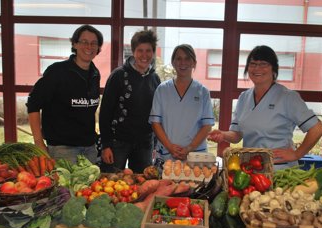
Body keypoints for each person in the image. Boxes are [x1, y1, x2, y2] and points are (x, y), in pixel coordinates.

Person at [208, 45, 322, 169]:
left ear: (273, 69)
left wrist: (296, 154)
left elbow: (317, 129)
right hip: (251, 167)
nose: (257, 68)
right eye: (253, 64)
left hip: (279, 169)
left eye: (263, 64)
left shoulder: (288, 97)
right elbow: (237, 135)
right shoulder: (244, 97)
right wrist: (223, 135)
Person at [26, 24, 103, 164]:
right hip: (63, 149)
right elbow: (33, 103)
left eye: (94, 43)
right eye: (84, 42)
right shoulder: (57, 72)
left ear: (98, 48)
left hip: (89, 148)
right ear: (74, 44)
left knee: (91, 186)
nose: (89, 46)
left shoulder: (95, 74)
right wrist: (38, 142)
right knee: (65, 186)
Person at [99, 29, 160, 173]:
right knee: (111, 183)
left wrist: (155, 144)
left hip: (145, 143)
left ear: (153, 52)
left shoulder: (155, 79)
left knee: (141, 184)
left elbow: (157, 114)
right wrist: (106, 145)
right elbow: (105, 112)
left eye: (148, 51)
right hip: (117, 142)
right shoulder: (118, 75)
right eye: (140, 50)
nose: (144, 55)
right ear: (133, 51)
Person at [149, 44, 215, 162]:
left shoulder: (202, 92)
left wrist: (189, 148)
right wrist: (170, 147)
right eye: (178, 58)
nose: (182, 62)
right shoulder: (162, 89)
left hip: (194, 155)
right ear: (173, 62)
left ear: (194, 63)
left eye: (187, 58)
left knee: (195, 180)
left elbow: (207, 126)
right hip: (167, 154)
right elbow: (155, 123)